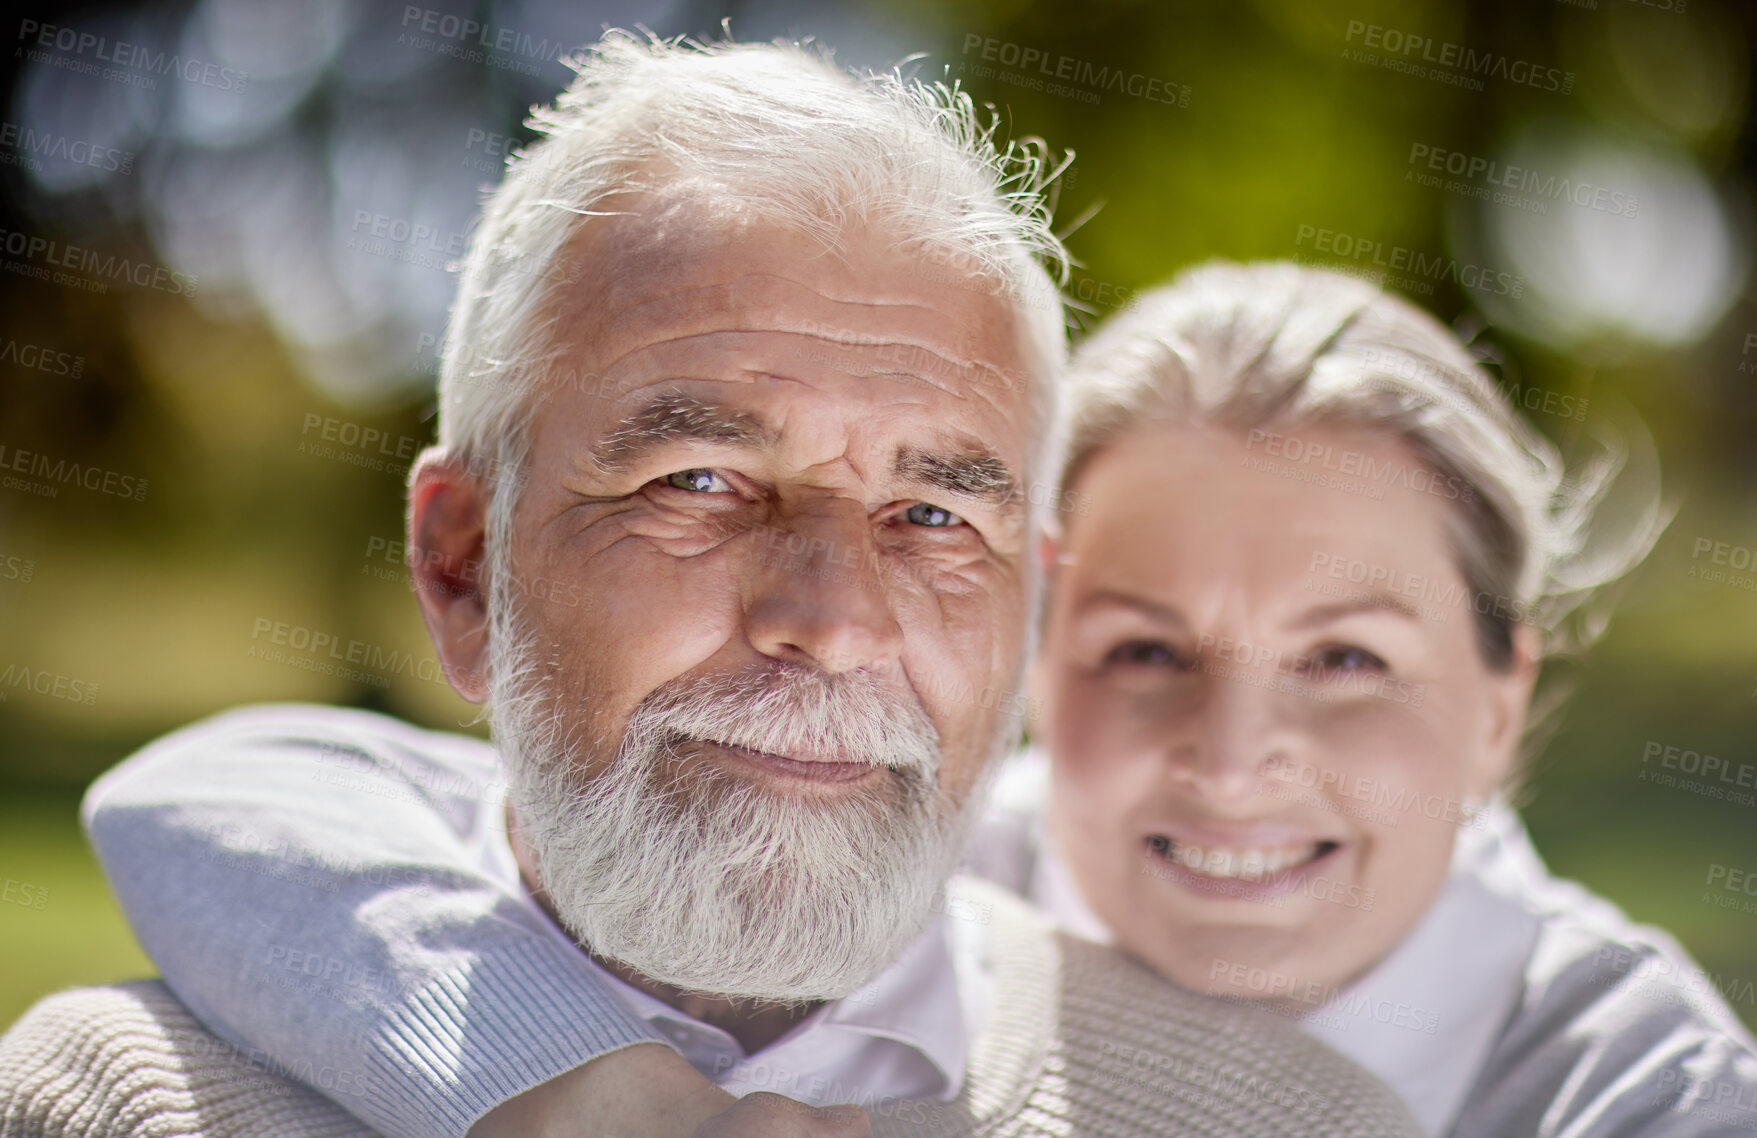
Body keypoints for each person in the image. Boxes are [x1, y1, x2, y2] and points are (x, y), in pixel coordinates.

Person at [0, 34, 1424, 1138]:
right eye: (695, 481)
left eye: (931, 513)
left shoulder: (1297, 1117)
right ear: (460, 566)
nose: (829, 616)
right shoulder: (127, 1101)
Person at [52, 258, 1757, 1138]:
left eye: (1348, 659)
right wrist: (543, 1073)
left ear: (1493, 701)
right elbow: (228, 796)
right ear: (1019, 643)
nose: (1234, 760)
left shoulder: (1633, 1086)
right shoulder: (970, 857)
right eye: (1139, 651)